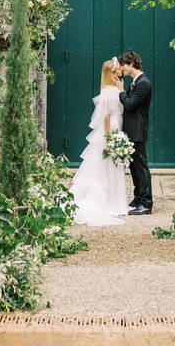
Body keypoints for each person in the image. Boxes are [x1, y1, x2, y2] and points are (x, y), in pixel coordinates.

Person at [69, 58, 131, 226]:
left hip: (118, 125)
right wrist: (110, 137)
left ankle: (116, 201)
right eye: (117, 69)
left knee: (113, 165)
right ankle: (111, 203)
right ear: (111, 73)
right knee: (109, 164)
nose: (120, 71)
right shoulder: (109, 91)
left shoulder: (115, 88)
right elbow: (105, 117)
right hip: (111, 129)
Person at [117, 50, 153, 215]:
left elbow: (130, 104)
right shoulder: (135, 82)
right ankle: (138, 197)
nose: (122, 68)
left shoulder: (143, 83)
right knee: (133, 167)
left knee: (141, 167)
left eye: (123, 64)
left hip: (138, 130)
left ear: (131, 64)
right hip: (131, 131)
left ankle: (146, 202)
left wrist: (121, 90)